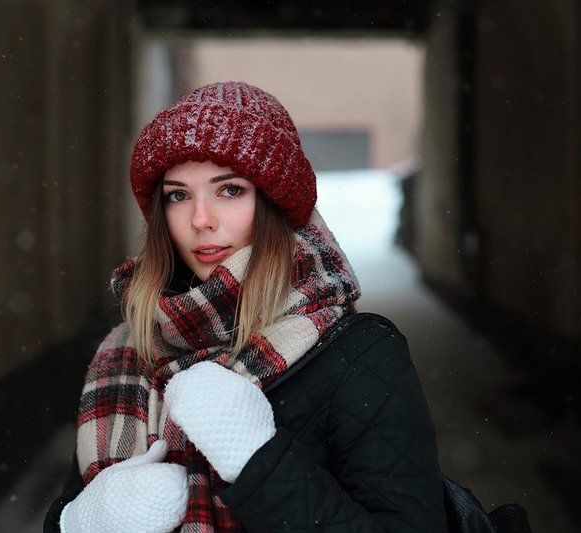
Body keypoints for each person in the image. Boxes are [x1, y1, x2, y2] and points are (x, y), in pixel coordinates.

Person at [44, 81, 448, 532]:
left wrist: (258, 460)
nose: (201, 219)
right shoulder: (128, 348)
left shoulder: (359, 353)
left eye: (230, 190)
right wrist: (78, 521)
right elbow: (72, 505)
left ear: (274, 203)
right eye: (178, 195)